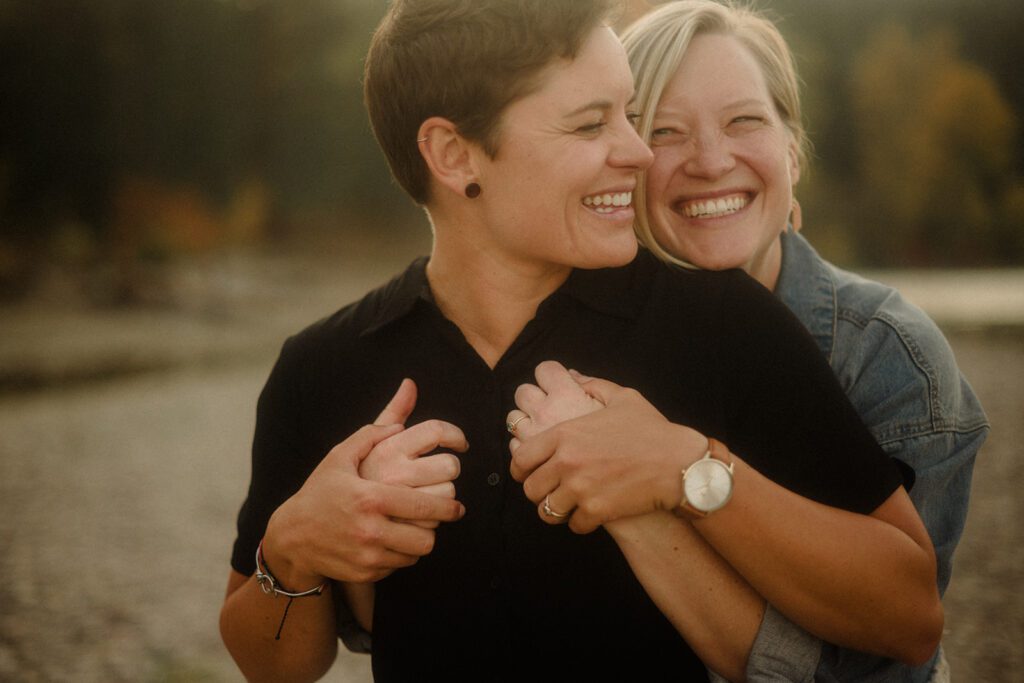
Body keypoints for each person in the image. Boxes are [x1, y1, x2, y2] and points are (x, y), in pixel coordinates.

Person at [220, 1, 942, 680]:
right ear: (454, 153)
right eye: (592, 125)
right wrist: (294, 547)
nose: (636, 152)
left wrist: (685, 470)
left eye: (628, 116)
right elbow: (272, 664)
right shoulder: (323, 366)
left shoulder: (722, 322)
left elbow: (911, 616)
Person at [508, 1, 988, 681]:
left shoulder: (890, 359)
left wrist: (681, 472)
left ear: (792, 148)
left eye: (745, 121)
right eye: (664, 130)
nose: (709, 160)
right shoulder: (559, 345)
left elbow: (875, 662)